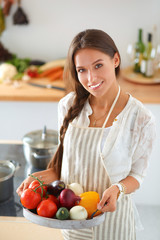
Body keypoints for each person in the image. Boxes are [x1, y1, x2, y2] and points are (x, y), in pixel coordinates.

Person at [17, 29, 156, 240]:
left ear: (116, 59)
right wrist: (35, 180)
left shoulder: (140, 117)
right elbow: (65, 169)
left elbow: (137, 176)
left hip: (114, 224)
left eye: (98, 65)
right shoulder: (68, 106)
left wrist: (118, 189)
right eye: (82, 70)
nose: (91, 78)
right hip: (73, 223)